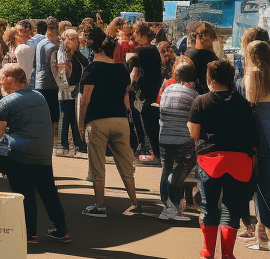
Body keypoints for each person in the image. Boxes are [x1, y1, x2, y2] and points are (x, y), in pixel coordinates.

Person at [189, 59, 260, 259]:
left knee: (209, 206)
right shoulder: (243, 103)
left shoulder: (200, 101)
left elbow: (194, 135)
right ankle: (227, 255)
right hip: (239, 161)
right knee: (232, 208)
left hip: (210, 161)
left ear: (210, 79)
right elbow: (255, 138)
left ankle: (208, 251)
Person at [0, 65, 70, 243]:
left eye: (2, 78)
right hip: (43, 151)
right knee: (48, 190)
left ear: (11, 79)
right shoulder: (38, 95)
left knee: (24, 193)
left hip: (20, 153)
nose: (0, 82)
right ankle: (61, 229)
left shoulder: (7, 102)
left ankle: (29, 233)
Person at [77, 32, 140, 218]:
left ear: (94, 49)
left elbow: (85, 99)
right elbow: (126, 98)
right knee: (125, 164)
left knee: (97, 163)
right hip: (120, 120)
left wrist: (81, 124)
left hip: (97, 120)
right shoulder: (121, 69)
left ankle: (100, 204)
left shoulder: (91, 69)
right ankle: (134, 202)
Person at [240, 40, 270, 253]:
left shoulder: (253, 74)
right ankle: (263, 236)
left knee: (261, 185)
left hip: (261, 130)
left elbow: (250, 102)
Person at [157, 59, 197, 220]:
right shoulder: (192, 94)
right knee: (180, 171)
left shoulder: (168, 89)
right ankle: (174, 207)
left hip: (165, 135)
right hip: (182, 138)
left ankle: (167, 206)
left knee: (167, 169)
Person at [131, 22, 162, 163]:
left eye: (137, 36)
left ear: (143, 36)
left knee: (149, 122)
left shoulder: (143, 52)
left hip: (148, 91)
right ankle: (155, 152)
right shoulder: (154, 50)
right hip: (154, 88)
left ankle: (154, 153)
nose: (136, 40)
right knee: (151, 121)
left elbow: (135, 70)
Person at [57, 28, 87, 156]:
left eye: (75, 39)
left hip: (76, 89)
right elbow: (61, 70)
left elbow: (86, 63)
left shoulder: (77, 53)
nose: (74, 41)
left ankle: (78, 144)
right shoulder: (61, 52)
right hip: (65, 89)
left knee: (74, 118)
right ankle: (63, 145)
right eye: (72, 39)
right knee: (65, 117)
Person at [32, 16, 61, 128]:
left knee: (43, 114)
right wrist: (60, 83)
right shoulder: (51, 46)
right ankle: (52, 142)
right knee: (53, 116)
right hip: (49, 83)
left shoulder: (41, 42)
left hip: (39, 82)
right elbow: (54, 66)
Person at [187, 22, 219, 95]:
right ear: (202, 38)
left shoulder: (189, 53)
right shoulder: (205, 55)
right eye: (211, 36)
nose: (213, 40)